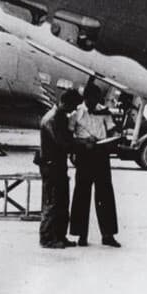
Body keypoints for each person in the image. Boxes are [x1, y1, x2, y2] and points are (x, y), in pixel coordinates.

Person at [69, 84, 120, 247]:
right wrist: (83, 142)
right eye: (91, 100)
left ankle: (108, 235)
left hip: (101, 154)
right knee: (81, 195)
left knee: (105, 194)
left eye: (97, 100)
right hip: (84, 155)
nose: (94, 103)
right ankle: (81, 235)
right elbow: (69, 136)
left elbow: (112, 130)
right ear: (85, 98)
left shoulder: (104, 111)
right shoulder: (76, 112)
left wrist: (114, 136)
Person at [38, 89, 83, 249]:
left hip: (58, 165)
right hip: (51, 166)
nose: (74, 110)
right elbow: (63, 143)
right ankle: (47, 238)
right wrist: (82, 145)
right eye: (73, 106)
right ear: (65, 102)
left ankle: (59, 236)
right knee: (52, 202)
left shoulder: (60, 117)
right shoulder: (52, 119)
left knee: (62, 202)